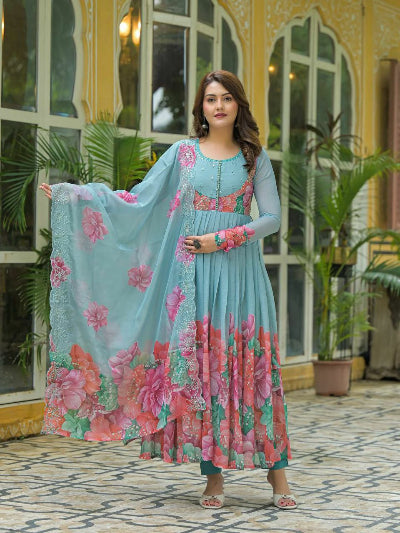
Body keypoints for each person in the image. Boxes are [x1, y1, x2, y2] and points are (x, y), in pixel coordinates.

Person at [40, 70, 296, 510]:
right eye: (211, 99)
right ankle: (213, 478)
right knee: (206, 371)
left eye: (227, 98)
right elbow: (139, 199)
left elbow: (272, 219)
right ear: (201, 108)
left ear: (238, 105)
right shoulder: (183, 154)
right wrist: (75, 197)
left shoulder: (254, 157)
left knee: (251, 369)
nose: (219, 106)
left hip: (241, 279)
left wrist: (222, 238)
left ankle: (279, 476)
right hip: (191, 279)